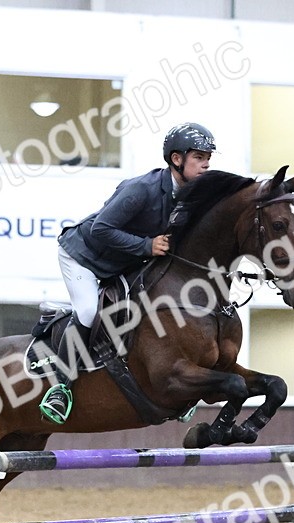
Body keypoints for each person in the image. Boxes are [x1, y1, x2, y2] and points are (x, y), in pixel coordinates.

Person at [40, 122, 216, 424]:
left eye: (208, 157)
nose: (206, 164)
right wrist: (147, 246)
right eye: (199, 157)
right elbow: (101, 228)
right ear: (177, 159)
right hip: (83, 254)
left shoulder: (189, 195)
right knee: (87, 311)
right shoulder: (141, 189)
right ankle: (60, 386)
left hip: (122, 260)